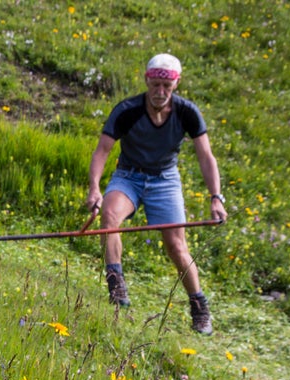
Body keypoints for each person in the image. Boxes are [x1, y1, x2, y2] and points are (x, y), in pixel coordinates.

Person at [84, 53, 228, 335]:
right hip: (128, 176)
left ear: (175, 85)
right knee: (110, 215)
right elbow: (102, 150)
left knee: (176, 246)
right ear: (147, 81)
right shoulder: (127, 110)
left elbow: (206, 156)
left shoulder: (187, 112)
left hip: (165, 180)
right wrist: (94, 188)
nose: (160, 93)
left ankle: (199, 307)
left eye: (167, 88)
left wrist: (216, 197)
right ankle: (116, 282)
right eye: (155, 87)